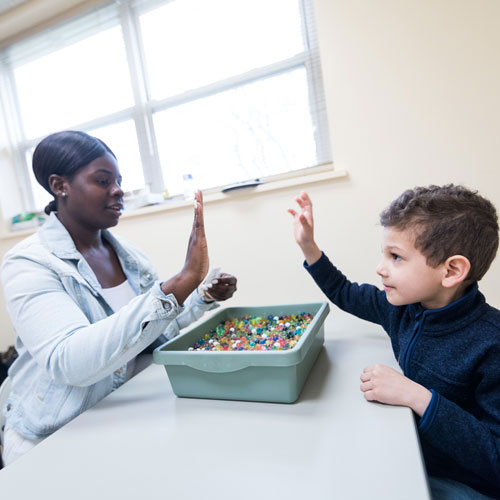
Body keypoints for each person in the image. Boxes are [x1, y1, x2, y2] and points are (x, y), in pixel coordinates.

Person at [0, 130, 237, 466]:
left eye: (119, 180)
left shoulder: (129, 256)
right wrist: (180, 283)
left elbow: (149, 335)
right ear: (59, 186)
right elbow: (70, 361)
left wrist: (199, 295)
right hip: (53, 439)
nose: (118, 190)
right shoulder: (28, 262)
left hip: (117, 416)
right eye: (102, 180)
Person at [289, 185, 500, 500]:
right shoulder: (400, 307)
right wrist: (309, 247)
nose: (380, 268)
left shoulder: (491, 342)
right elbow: (344, 292)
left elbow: (494, 456)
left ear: (452, 270)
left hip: (466, 483)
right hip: (413, 450)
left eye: (396, 257)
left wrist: (418, 397)